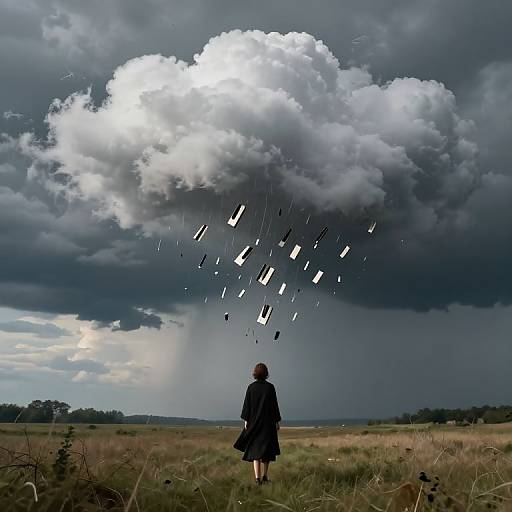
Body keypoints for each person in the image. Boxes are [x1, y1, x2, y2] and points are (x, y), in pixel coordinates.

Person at [233, 362, 281, 485]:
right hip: (268, 425)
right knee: (267, 452)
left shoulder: (251, 387)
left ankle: (257, 479)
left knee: (255, 452)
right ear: (266, 373)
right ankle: (265, 476)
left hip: (254, 425)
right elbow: (274, 406)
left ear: (255, 373)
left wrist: (246, 421)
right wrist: (277, 422)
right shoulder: (270, 387)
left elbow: (246, 407)